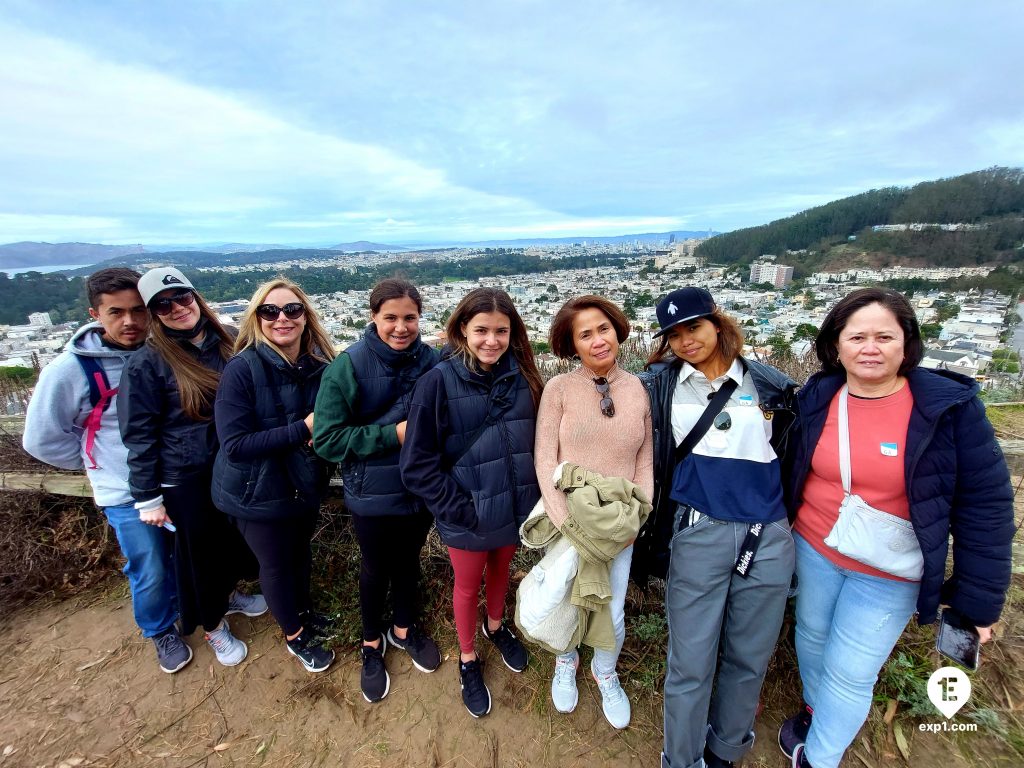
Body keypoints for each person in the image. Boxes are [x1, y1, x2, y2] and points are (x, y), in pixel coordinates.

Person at [779, 288, 1015, 768]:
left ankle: (819, 758)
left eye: (884, 336)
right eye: (857, 336)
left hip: (890, 567)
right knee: (810, 635)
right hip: (814, 546)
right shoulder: (819, 396)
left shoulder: (948, 408)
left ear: (907, 344)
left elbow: (986, 507)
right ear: (835, 346)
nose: (870, 347)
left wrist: (978, 603)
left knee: (851, 672)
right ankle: (815, 709)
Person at [635, 287, 798, 768]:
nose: (686, 341)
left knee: (750, 657)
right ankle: (681, 759)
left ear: (717, 323)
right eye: (674, 334)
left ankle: (726, 749)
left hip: (767, 533)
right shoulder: (658, 386)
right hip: (699, 529)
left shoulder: (770, 385)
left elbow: (791, 452)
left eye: (694, 327)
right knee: (690, 661)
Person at [23, 268, 186, 672]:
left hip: (179, 478)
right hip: (125, 491)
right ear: (95, 313)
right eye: (116, 312)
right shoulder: (71, 369)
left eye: (137, 311)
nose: (129, 322)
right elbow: (40, 438)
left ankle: (204, 601)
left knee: (190, 552)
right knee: (148, 563)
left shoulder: (168, 350)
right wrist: (96, 464)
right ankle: (159, 628)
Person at [400, 287, 543, 718]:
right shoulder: (438, 382)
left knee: (502, 572)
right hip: (468, 512)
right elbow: (417, 464)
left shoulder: (524, 375)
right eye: (481, 330)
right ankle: (467, 657)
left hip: (514, 508)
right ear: (463, 329)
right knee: (466, 586)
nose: (491, 340)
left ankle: (495, 627)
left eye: (502, 330)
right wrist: (459, 509)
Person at [118, 266, 266, 668]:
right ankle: (212, 625)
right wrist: (147, 496)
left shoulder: (229, 342)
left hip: (231, 465)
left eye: (182, 297)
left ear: (196, 297)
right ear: (153, 314)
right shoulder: (148, 363)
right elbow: (139, 434)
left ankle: (229, 595)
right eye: (163, 305)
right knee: (198, 553)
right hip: (186, 476)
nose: (177, 308)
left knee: (231, 542)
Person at [313, 278, 441, 702]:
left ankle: (403, 628)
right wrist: (394, 435)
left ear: (420, 317)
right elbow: (328, 440)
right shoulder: (347, 367)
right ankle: (371, 643)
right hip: (372, 492)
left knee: (409, 561)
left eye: (409, 318)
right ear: (374, 317)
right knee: (374, 567)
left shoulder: (432, 361)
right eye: (391, 318)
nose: (401, 327)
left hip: (420, 488)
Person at [532, 295, 653, 728]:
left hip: (619, 524)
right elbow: (545, 459)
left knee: (611, 606)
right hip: (567, 519)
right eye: (585, 334)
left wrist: (636, 517)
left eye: (603, 329)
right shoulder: (559, 389)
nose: (598, 340)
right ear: (571, 344)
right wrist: (565, 519)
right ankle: (566, 660)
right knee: (565, 597)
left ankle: (605, 670)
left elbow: (644, 460)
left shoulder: (638, 387)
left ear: (617, 330)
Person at [212, 278, 337, 673]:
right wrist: (304, 429)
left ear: (306, 317)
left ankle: (303, 613)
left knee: (299, 555)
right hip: (255, 491)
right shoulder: (243, 369)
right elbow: (235, 444)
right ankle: (295, 635)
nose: (281, 318)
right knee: (277, 565)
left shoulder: (320, 368)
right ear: (257, 319)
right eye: (270, 311)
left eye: (292, 310)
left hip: (302, 484)